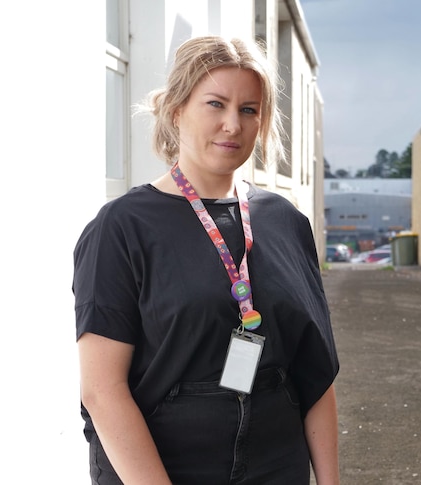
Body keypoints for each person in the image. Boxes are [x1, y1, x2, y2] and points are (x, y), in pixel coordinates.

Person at [73, 35, 340, 484]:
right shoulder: (122, 227)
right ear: (176, 109)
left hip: (275, 466)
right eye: (215, 104)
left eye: (249, 109)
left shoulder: (285, 222)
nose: (233, 124)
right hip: (165, 468)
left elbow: (314, 373)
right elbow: (102, 391)